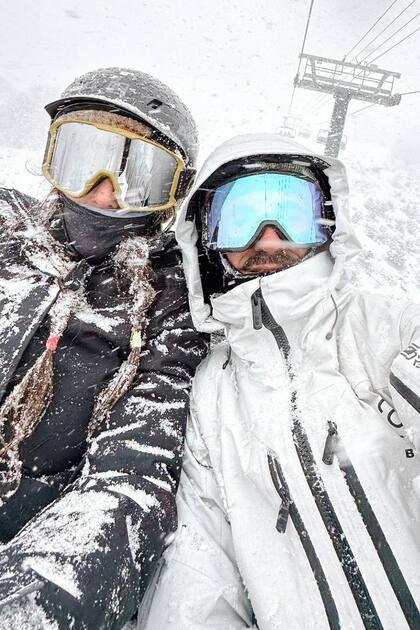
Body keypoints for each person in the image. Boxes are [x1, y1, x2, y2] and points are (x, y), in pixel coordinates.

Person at [143, 134, 420, 629]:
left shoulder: (390, 329)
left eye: (290, 214)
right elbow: (199, 568)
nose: (267, 240)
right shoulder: (211, 394)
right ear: (207, 239)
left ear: (327, 223)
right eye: (238, 220)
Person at [0, 67, 208, 628]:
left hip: (32, 524)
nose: (103, 193)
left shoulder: (168, 309)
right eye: (82, 157)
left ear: (170, 199)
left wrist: (38, 603)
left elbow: (131, 478)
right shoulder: (7, 233)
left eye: (139, 175)